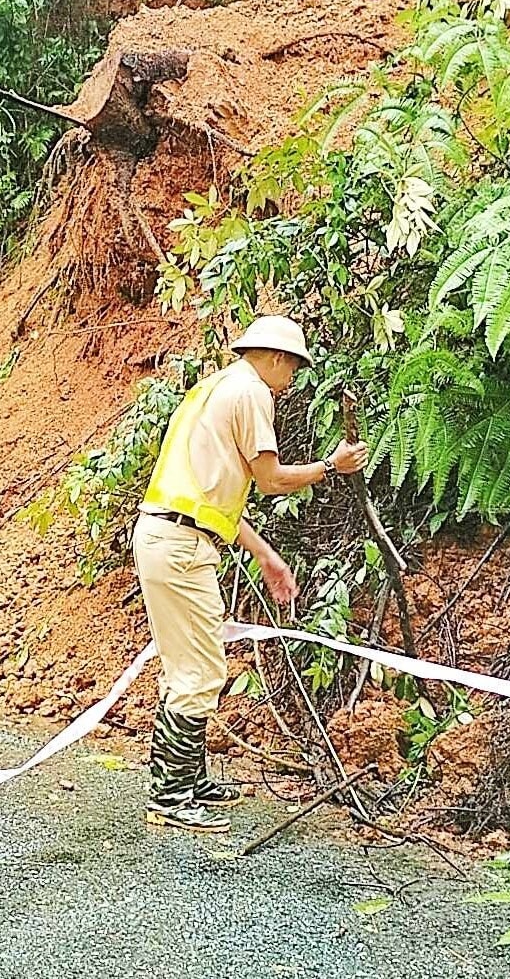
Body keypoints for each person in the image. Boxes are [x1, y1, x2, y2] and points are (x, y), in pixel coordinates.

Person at [133, 315, 367, 833]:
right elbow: (271, 479)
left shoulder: (217, 386)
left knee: (191, 666)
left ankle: (187, 781)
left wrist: (265, 555)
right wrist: (332, 467)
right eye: (295, 367)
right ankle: (170, 796)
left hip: (169, 536)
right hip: (180, 547)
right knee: (200, 672)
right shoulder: (253, 393)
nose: (292, 380)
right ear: (280, 359)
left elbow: (208, 499)